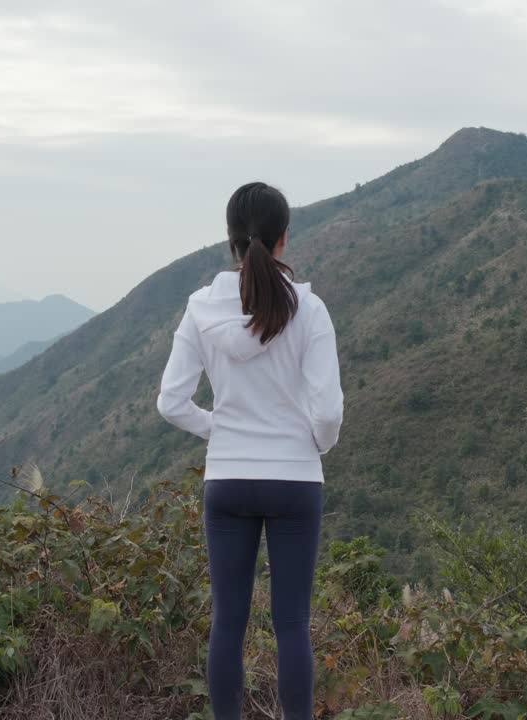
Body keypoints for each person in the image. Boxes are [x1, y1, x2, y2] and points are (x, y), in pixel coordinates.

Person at [157, 181, 344, 720]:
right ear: (284, 239)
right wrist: (313, 446)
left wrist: (219, 430)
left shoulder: (201, 308)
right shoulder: (310, 309)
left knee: (228, 621)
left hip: (229, 479)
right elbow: (327, 413)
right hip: (296, 481)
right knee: (291, 624)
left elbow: (171, 401)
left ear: (231, 242)